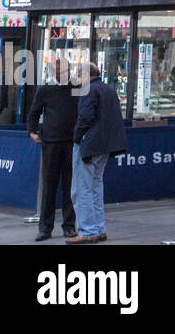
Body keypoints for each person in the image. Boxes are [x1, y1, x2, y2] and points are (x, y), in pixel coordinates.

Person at [69, 62, 128, 243]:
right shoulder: (108, 89)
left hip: (89, 145)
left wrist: (76, 137)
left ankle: (87, 231)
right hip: (104, 146)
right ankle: (98, 228)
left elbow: (85, 118)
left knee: (81, 190)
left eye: (78, 74)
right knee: (95, 187)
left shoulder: (88, 90)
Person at [27, 57, 78, 241]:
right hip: (50, 143)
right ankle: (46, 228)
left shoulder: (76, 89)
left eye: (67, 72)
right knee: (49, 186)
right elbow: (34, 113)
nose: (65, 75)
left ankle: (69, 226)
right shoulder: (45, 90)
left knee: (70, 187)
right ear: (54, 73)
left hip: (72, 143)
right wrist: (31, 132)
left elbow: (83, 112)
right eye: (61, 73)